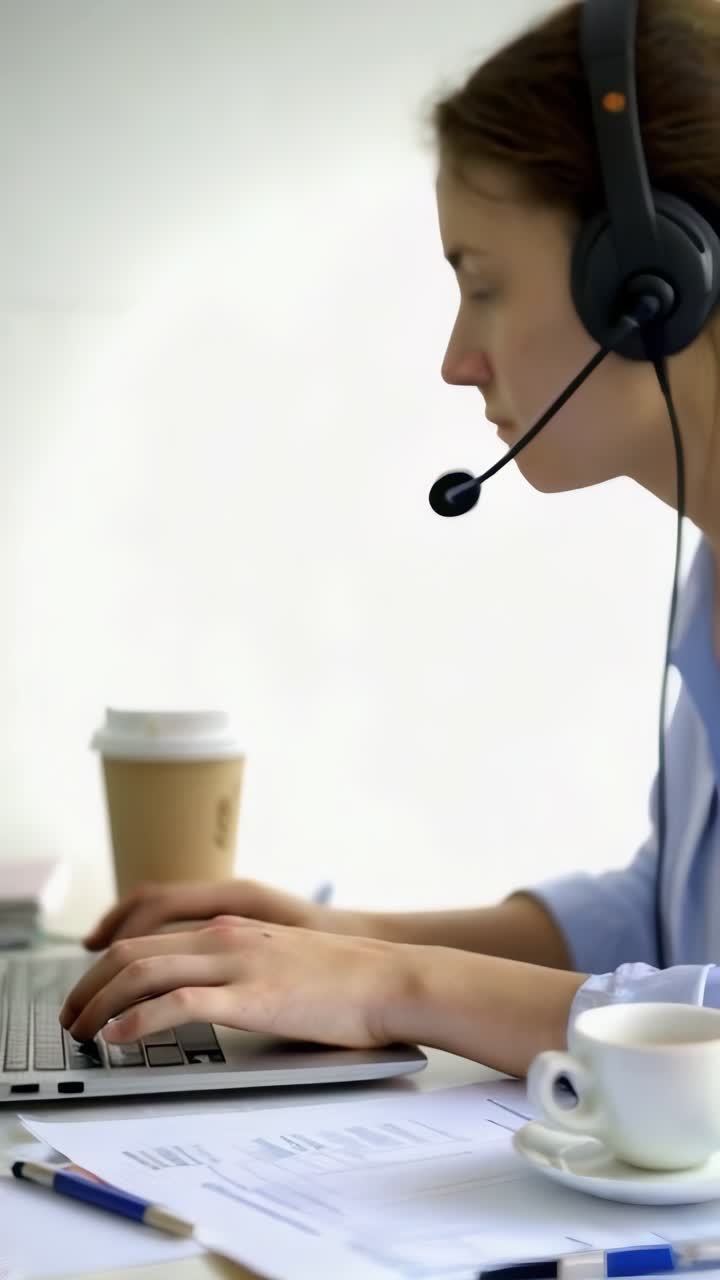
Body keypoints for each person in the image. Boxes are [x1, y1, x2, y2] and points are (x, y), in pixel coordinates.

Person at [59, 0, 720, 1079]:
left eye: (485, 283)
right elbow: (664, 916)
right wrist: (341, 939)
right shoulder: (710, 574)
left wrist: (394, 986)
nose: (458, 358)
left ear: (648, 278)